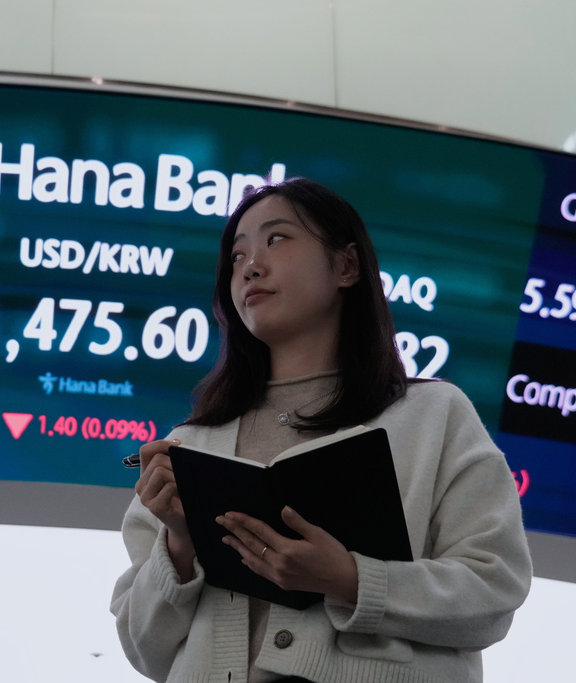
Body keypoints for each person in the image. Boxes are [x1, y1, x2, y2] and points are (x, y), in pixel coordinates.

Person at [110, 177, 532, 683]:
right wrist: (180, 544)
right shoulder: (191, 444)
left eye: (276, 239)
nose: (251, 267)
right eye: (237, 256)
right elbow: (144, 650)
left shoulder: (434, 415)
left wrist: (351, 580)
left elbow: (493, 590)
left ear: (347, 266)